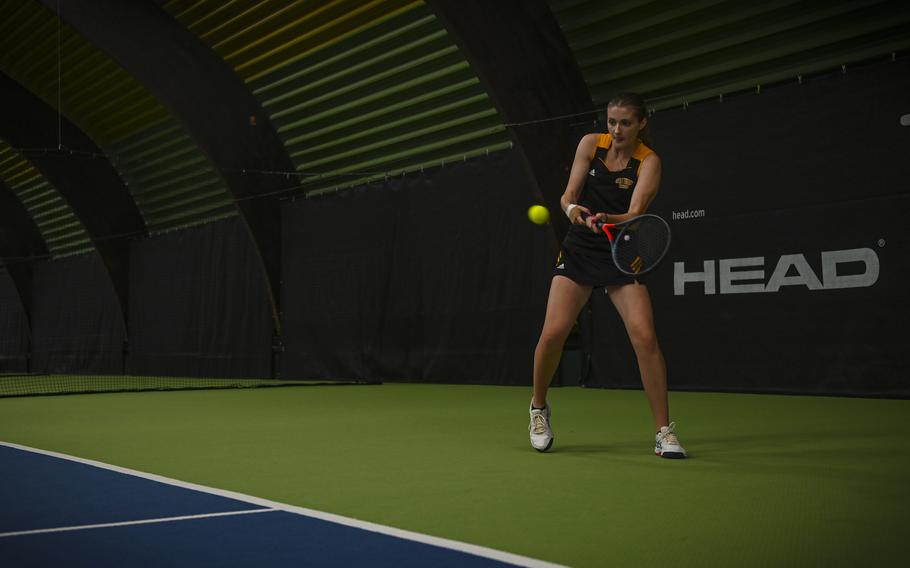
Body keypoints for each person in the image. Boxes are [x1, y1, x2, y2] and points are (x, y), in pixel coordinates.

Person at [528, 92, 687, 459]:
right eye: (612, 122)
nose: (616, 130)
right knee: (553, 333)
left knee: (645, 337)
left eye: (625, 123)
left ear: (642, 124)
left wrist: (607, 219)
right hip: (581, 246)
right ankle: (538, 409)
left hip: (622, 250)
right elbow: (568, 195)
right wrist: (574, 212)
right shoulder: (590, 145)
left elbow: (635, 212)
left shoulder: (649, 162)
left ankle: (664, 432)